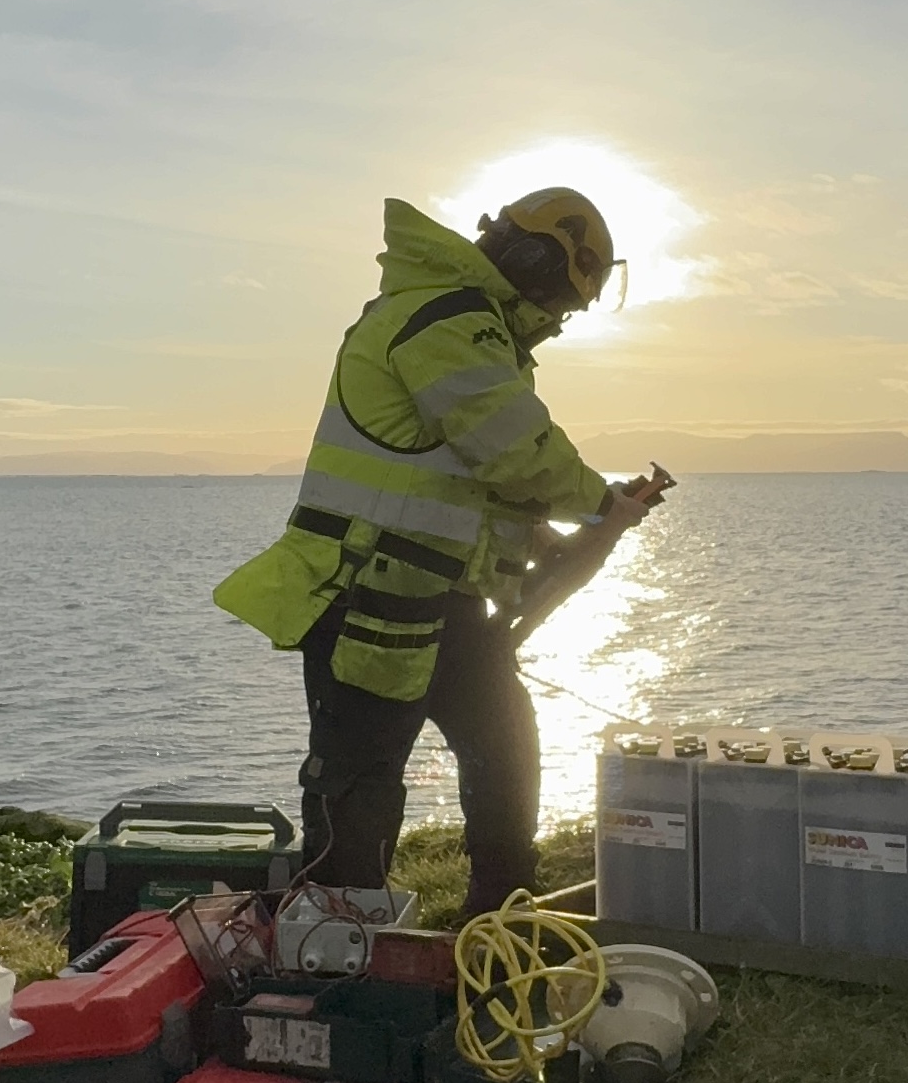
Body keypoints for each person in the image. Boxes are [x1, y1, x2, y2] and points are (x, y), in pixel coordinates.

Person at [213, 188, 652, 914]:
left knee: (504, 749)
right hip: (364, 599)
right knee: (360, 780)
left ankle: (500, 917)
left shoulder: (472, 329)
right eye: (562, 302)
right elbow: (513, 448)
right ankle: (340, 940)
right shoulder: (447, 320)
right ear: (536, 263)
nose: (559, 320)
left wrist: (539, 533)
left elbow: (465, 478)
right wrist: (602, 504)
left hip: (440, 600)